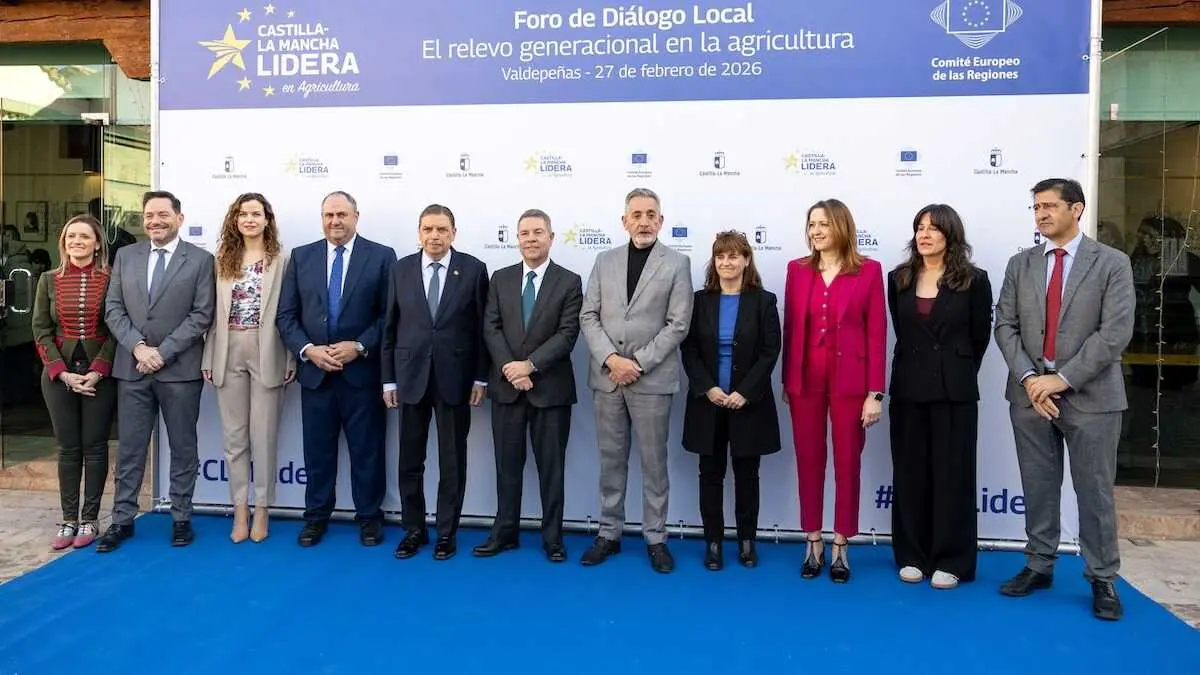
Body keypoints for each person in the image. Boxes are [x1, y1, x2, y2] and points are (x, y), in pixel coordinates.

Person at [994, 178, 1135, 621]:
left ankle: (1102, 577)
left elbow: (1114, 333)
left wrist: (1062, 379)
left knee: (1093, 491)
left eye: (1050, 206)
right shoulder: (1021, 264)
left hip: (1091, 397)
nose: (1041, 214)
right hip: (1030, 396)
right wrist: (1033, 378)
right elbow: (1005, 325)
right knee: (1038, 486)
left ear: (1077, 209)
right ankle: (1039, 564)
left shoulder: (1112, 263)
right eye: (1036, 207)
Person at [578, 187, 694, 573]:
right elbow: (588, 316)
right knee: (611, 460)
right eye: (636, 214)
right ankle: (609, 532)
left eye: (651, 214)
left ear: (661, 221)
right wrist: (612, 359)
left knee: (653, 463)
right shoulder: (604, 260)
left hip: (651, 380)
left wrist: (636, 363)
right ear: (624, 220)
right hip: (608, 378)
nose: (643, 221)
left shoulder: (677, 263)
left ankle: (656, 538)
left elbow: (678, 324)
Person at [97, 190, 216, 552]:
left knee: (183, 447)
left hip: (179, 370)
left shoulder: (200, 260)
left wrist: (161, 353)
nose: (155, 221)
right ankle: (122, 520)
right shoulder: (126, 256)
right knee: (131, 448)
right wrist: (138, 347)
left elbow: (201, 315)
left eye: (163, 214)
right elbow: (113, 308)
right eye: (149, 215)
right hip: (132, 369)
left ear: (179, 218)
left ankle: (181, 517)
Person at [276, 191, 395, 548]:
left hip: (361, 374)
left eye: (341, 214)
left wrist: (358, 346)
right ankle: (315, 518)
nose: (335, 221)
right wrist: (309, 350)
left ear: (356, 216)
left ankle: (370, 518)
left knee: (367, 451)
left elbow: (389, 315)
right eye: (328, 215)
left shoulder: (381, 256)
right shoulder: (302, 257)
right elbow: (286, 315)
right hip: (316, 375)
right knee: (317, 453)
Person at [887, 204, 992, 589]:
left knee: (953, 475)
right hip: (909, 389)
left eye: (934, 228)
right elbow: (904, 332)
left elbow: (979, 336)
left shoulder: (974, 280)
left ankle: (952, 559)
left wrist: (953, 370)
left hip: (955, 391)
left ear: (951, 234)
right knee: (911, 471)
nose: (924, 234)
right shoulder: (897, 278)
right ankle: (912, 554)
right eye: (919, 227)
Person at [782, 198, 885, 584]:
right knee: (809, 460)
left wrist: (875, 392)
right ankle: (813, 540)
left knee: (847, 462)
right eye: (811, 224)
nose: (816, 231)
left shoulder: (869, 271)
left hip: (851, 384)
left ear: (842, 226)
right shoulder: (797, 269)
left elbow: (877, 333)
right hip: (804, 382)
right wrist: (786, 381)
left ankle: (841, 542)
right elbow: (791, 327)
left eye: (824, 223)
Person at [475, 209, 582, 563]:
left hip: (550, 391)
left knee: (551, 468)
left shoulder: (569, 281)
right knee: (507, 466)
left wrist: (530, 366)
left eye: (538, 232)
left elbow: (567, 334)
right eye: (525, 233)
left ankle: (553, 537)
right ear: (516, 238)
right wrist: (510, 368)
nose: (531, 238)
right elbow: (490, 327)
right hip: (507, 388)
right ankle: (505, 531)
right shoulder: (500, 278)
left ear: (551, 237)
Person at [383, 204, 489, 561]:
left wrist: (480, 377)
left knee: (452, 461)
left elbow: (481, 331)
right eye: (428, 229)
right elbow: (390, 329)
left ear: (453, 233)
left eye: (442, 229)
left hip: (455, 380)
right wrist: (388, 381)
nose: (434, 235)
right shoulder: (400, 270)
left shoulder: (473, 270)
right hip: (410, 379)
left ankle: (447, 533)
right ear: (419, 233)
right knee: (410, 461)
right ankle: (413, 530)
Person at [680, 230, 780, 571]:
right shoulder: (699, 300)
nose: (726, 262)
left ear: (746, 260)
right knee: (710, 474)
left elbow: (770, 352)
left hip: (747, 404)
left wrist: (745, 392)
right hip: (708, 402)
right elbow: (689, 349)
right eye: (720, 256)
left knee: (747, 474)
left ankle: (747, 541)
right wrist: (708, 387)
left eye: (733, 256)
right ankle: (713, 541)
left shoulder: (764, 301)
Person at [201, 193, 295, 544]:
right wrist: (209, 357)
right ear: (235, 220)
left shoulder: (282, 261)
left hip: (267, 348)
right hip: (228, 349)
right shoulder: (221, 259)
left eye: (256, 214)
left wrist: (288, 358)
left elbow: (288, 314)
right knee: (235, 438)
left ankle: (262, 510)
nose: (249, 219)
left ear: (267, 219)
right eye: (243, 214)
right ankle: (239, 510)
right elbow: (211, 316)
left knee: (263, 436)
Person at [31, 215, 116, 550]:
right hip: (59, 376)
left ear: (97, 244)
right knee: (68, 448)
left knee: (95, 446)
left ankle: (91, 518)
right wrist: (62, 372)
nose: (77, 241)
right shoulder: (48, 280)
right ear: (63, 242)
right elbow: (40, 330)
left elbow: (115, 331)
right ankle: (68, 519)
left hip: (100, 374)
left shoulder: (111, 279)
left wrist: (97, 370)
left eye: (84, 236)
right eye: (71, 236)